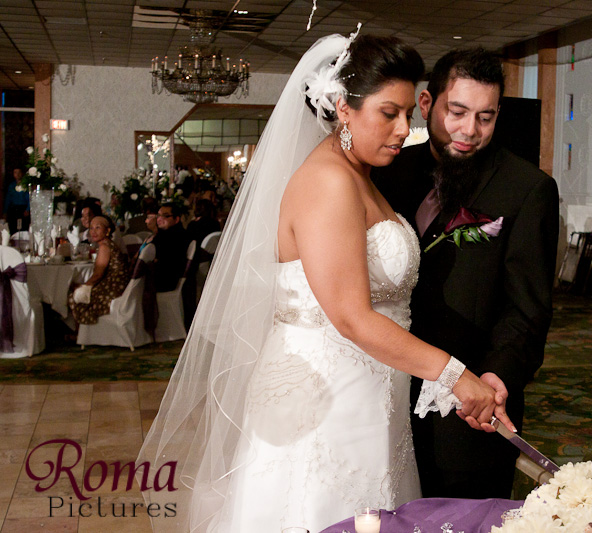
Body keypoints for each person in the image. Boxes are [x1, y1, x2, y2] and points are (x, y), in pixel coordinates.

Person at [139, 31, 512, 533]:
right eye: (388, 113)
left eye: (408, 113)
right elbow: (353, 317)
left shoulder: (361, 174)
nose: (405, 129)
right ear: (343, 108)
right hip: (325, 399)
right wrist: (455, 376)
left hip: (368, 393)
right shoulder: (328, 181)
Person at [373, 48, 560, 499]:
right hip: (380, 395)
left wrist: (498, 375)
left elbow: (527, 309)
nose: (470, 130)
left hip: (466, 408)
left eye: (485, 117)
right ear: (426, 104)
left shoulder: (527, 189)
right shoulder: (385, 173)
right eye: (457, 112)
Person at [68, 215, 130, 324]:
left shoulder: (104, 247)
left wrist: (83, 287)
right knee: (75, 287)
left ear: (107, 231)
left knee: (73, 295)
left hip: (113, 290)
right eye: (91, 228)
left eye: (98, 227)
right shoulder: (108, 243)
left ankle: (80, 330)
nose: (93, 231)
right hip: (115, 286)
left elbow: (98, 275)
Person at [152, 201, 189, 292]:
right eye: (158, 216)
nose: (159, 219)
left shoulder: (177, 236)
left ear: (176, 219)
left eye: (165, 216)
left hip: (167, 280)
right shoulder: (162, 234)